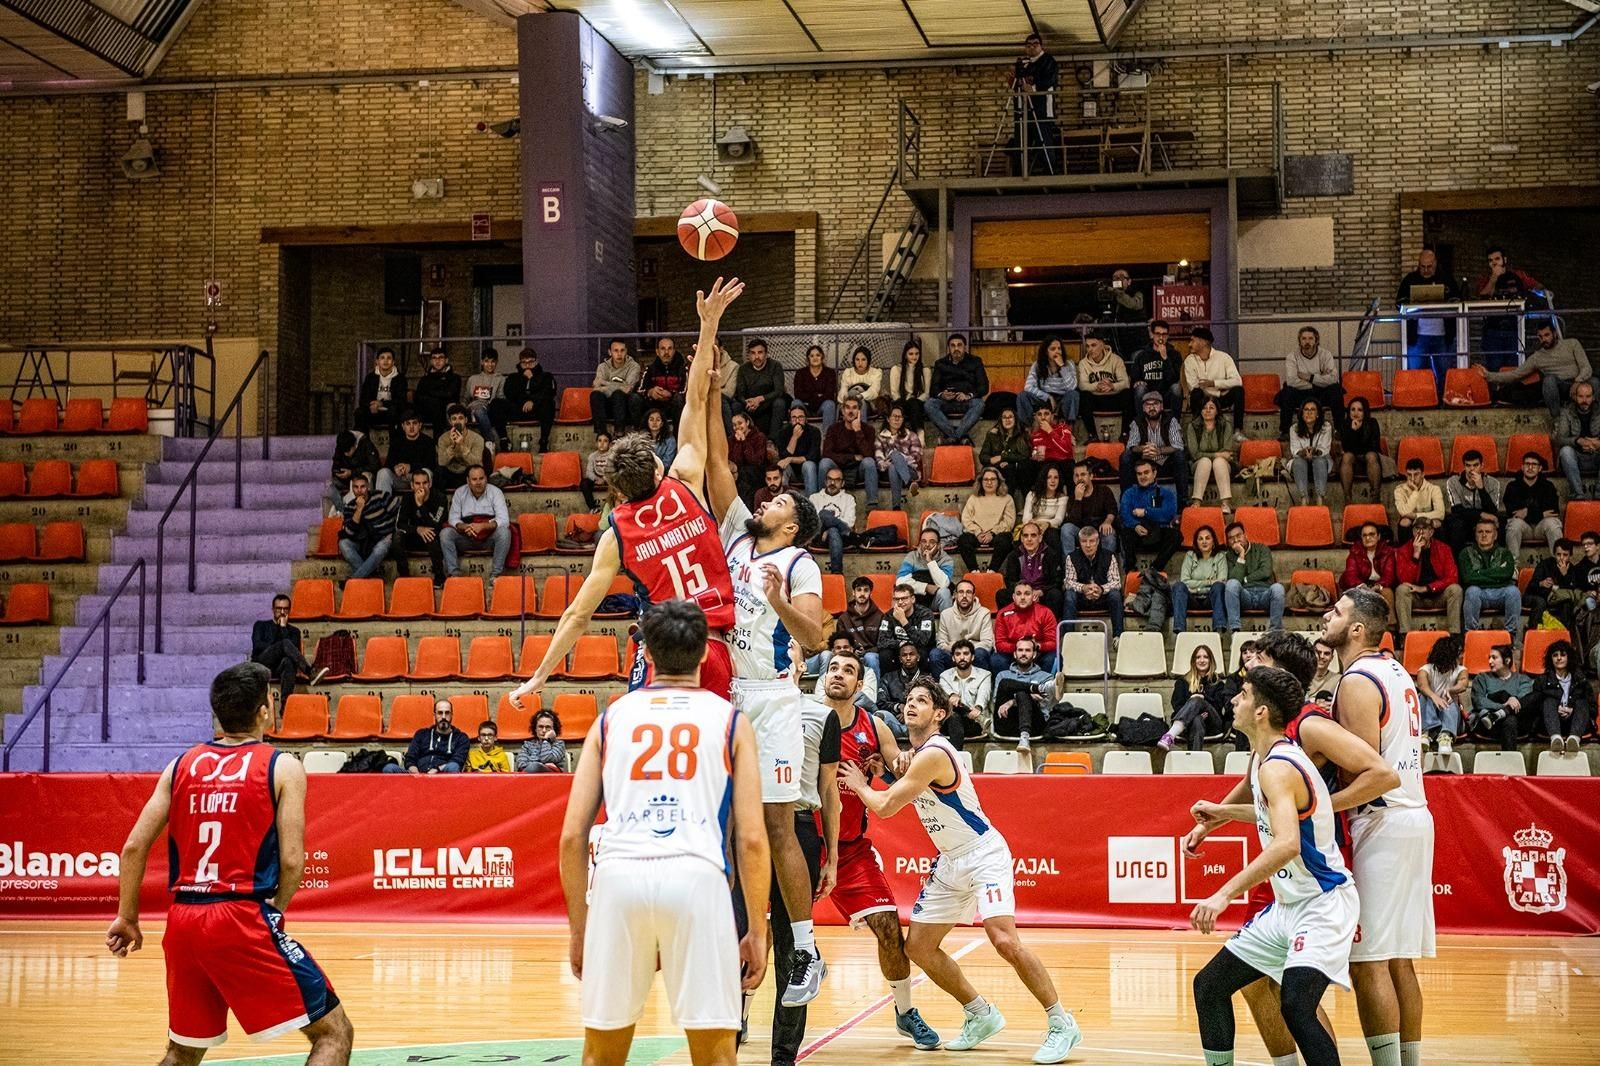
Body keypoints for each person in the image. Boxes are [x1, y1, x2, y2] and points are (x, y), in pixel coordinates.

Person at [510, 275, 744, 710]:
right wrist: (708, 324)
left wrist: (540, 674)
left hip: (661, 656)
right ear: (657, 466)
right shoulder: (685, 481)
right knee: (712, 764)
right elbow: (694, 399)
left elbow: (578, 614)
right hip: (714, 648)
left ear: (617, 491)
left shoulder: (616, 535)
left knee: (648, 765)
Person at [106, 663, 352, 1064]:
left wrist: (127, 916)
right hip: (240, 916)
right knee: (333, 1032)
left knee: (182, 1052)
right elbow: (292, 860)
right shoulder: (282, 765)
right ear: (264, 710)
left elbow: (133, 847)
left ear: (217, 714)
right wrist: (277, 909)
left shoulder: (180, 765)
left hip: (184, 920)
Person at [558, 599, 769, 1066]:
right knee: (715, 1056)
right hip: (697, 878)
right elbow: (752, 838)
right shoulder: (731, 720)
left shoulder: (611, 718)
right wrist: (756, 927)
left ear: (646, 655)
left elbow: (573, 837)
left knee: (600, 1055)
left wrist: (579, 928)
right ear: (703, 656)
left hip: (619, 878)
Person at [1184, 627, 1401, 1066]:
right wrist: (1220, 814)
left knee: (1298, 1006)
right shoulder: (1271, 752)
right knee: (1210, 986)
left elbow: (1285, 843)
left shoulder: (1289, 754)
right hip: (1288, 902)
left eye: (1243, 691)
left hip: (1322, 901)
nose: (1233, 698)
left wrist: (1223, 892)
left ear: (1263, 708)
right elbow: (1272, 815)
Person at [838, 678, 1083, 1063]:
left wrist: (860, 783)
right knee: (917, 947)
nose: (911, 705)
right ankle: (979, 1012)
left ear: (939, 714)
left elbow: (884, 807)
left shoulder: (934, 753)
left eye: (922, 700)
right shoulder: (916, 757)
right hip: (951, 861)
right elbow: (915, 784)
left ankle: (1062, 1022)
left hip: (983, 852)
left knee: (1003, 939)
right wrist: (886, 772)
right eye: (909, 699)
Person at [705, 366, 832, 1009]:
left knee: (779, 824)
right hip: (730, 697)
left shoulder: (798, 561)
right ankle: (735, 940)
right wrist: (710, 387)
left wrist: (781, 603)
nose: (765, 501)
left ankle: (806, 947)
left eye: (778, 503)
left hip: (776, 698)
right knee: (729, 828)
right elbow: (718, 462)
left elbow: (814, 638)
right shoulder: (736, 538)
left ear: (792, 525)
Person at [1320, 588, 1437, 1066]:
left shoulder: (1357, 681)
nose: (1329, 615)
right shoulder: (1396, 672)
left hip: (1383, 822)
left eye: (1338, 611)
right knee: (1398, 959)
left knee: (1367, 961)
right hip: (1414, 815)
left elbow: (1367, 773)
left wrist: (1323, 806)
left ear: (1356, 630)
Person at [821, 650, 942, 1051]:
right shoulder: (802, 717)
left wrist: (899, 760)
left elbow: (897, 766)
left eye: (848, 671)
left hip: (852, 850)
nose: (838, 674)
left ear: (860, 686)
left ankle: (906, 1013)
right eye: (833, 668)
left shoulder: (872, 726)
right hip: (804, 844)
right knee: (768, 929)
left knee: (890, 928)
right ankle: (743, 1014)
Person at [753, 633, 843, 1066]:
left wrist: (833, 858)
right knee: (738, 934)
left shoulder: (822, 715)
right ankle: (732, 1025)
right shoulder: (741, 699)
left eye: (789, 648)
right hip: (749, 829)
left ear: (802, 662)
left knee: (793, 952)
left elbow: (829, 789)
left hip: (801, 829)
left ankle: (783, 1057)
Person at [1483, 322, 1593, 419]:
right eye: (1540, 337)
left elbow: (1586, 367)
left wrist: (1577, 382)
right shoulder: (1538, 357)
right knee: (1549, 380)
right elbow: (1516, 374)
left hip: (1579, 383)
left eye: (1547, 335)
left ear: (1554, 334)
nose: (1544, 339)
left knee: (1595, 383)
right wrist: (1488, 375)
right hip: (1558, 387)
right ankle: (1557, 420)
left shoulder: (1572, 344)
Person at [1397, 249, 1461, 391]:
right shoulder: (1410, 280)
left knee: (1444, 373)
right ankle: (1421, 400)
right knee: (1417, 374)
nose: (1426, 270)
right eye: (1422, 267)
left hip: (1443, 336)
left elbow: (1457, 301)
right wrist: (1411, 303)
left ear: (1435, 264)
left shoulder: (1447, 279)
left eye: (1429, 267)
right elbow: (1399, 303)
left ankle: (1441, 402)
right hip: (1417, 336)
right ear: (1418, 265)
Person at [1473, 247, 1543, 372]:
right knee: (1494, 368)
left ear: (1504, 259)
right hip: (1493, 329)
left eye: (1497, 259)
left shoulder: (1518, 275)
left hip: (1515, 329)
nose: (1494, 263)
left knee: (1514, 368)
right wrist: (1494, 278)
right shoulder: (1485, 278)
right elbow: (1482, 296)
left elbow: (1537, 286)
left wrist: (1540, 293)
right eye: (1490, 260)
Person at [1159, 644, 1236, 752]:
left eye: (1205, 657)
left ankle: (1170, 734)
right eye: (1198, 657)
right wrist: (1196, 712)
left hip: (1213, 724)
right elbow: (1177, 706)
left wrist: (1202, 699)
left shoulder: (1218, 683)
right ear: (1193, 661)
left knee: (1198, 699)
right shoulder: (1182, 682)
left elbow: (1218, 707)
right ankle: (1195, 760)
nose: (1202, 660)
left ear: (1210, 660)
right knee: (1197, 720)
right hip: (1187, 725)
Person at [441, 464, 511, 580]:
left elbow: (504, 520)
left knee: (504, 533)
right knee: (445, 533)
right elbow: (453, 518)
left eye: (481, 478)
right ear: (468, 481)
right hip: (466, 537)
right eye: (474, 479)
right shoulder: (459, 493)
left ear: (486, 479)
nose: (478, 482)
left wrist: (483, 526)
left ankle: (496, 576)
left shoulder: (496, 492)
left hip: (488, 538)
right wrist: (465, 526)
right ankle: (454, 575)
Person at [1394, 517, 1463, 633]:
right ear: (1412, 532)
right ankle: (1404, 636)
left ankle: (1454, 635)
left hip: (1439, 595)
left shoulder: (1444, 549)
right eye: (1417, 529)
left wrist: (1428, 588)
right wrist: (1415, 555)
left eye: (1424, 529)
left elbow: (1452, 577)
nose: (1420, 533)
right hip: (1416, 597)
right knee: (1401, 590)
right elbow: (1404, 579)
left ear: (1431, 532)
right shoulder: (1403, 550)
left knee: (1456, 589)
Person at [250, 594, 323, 701]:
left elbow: (293, 652)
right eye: (279, 609)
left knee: (289, 661)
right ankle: (309, 672)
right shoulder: (260, 625)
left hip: (280, 667)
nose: (282, 612)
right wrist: (278, 646)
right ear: (273, 609)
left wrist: (283, 628)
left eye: (285, 609)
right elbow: (257, 646)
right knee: (284, 643)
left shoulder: (294, 631)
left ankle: (285, 705)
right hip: (262, 664)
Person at [1460, 517, 1521, 639]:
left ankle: (1510, 637)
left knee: (1513, 592)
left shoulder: (1505, 553)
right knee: (1471, 591)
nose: (1484, 535)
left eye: (1488, 532)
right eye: (1480, 532)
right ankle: (1471, 636)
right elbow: (1467, 578)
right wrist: (1496, 577)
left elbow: (1506, 574)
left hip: (1500, 593)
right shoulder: (1465, 553)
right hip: (1479, 593)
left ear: (1495, 535)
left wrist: (1479, 573)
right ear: (1475, 535)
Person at [1008, 32, 1059, 177]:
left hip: (1041, 108)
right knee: (1022, 141)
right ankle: (1019, 173)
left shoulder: (1048, 61)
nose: (1031, 48)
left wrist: (1034, 89)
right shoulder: (1025, 64)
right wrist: (1014, 80)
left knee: (1044, 139)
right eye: (1028, 45)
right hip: (1023, 109)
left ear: (1041, 46)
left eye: (1035, 45)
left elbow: (1050, 81)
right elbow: (1019, 84)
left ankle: (1049, 172)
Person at [1277, 327, 1342, 437]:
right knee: (1287, 392)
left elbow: (1333, 378)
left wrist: (1310, 377)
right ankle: (1285, 432)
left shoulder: (1325, 355)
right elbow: (1292, 381)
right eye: (1304, 339)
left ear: (1316, 340)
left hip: (1321, 393)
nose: (1307, 342)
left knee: (1335, 390)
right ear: (1299, 341)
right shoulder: (1292, 356)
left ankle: (1340, 430)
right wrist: (1319, 380)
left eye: (1310, 338)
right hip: (1301, 392)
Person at [1469, 644, 1536, 751]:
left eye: (1494, 658)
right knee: (1505, 701)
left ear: (1507, 660)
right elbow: (1478, 701)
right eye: (1489, 658)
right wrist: (1503, 705)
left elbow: (1525, 699)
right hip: (1488, 724)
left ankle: (1501, 714)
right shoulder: (1482, 678)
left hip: (1518, 725)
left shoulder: (1522, 679)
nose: (1490, 661)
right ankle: (1510, 764)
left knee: (1513, 717)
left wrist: (1513, 699)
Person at [1531, 638, 1592, 755]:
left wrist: (1572, 710)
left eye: (1563, 655)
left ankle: (1574, 739)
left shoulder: (1581, 680)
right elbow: (1535, 706)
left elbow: (1592, 707)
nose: (1559, 658)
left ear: (1569, 658)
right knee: (1548, 701)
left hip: (1576, 723)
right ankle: (1556, 739)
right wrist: (1555, 709)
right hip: (1549, 725)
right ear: (1551, 659)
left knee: (1582, 702)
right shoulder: (1542, 680)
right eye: (1555, 655)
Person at [925, 333, 988, 444]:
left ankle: (952, 438)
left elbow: (984, 387)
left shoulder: (975, 362)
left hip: (967, 401)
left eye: (959, 345)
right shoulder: (940, 364)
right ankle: (959, 437)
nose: (956, 348)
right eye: (953, 346)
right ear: (949, 348)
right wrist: (942, 394)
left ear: (965, 347)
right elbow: (933, 389)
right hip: (946, 402)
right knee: (929, 404)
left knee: (979, 404)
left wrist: (968, 396)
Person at [991, 636, 1054, 747]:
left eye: (1027, 650)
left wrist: (1012, 702)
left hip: (1034, 725)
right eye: (1020, 650)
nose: (1023, 653)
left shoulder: (1046, 678)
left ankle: (1024, 737)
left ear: (1034, 654)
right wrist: (1031, 695)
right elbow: (997, 702)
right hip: (1006, 723)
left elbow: (1046, 705)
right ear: (1015, 654)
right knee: (1006, 683)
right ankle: (1036, 688)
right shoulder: (1002, 675)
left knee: (1022, 694)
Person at [1061, 525, 1125, 636]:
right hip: (1082, 598)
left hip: (1102, 597)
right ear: (1079, 542)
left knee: (1115, 594)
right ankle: (1068, 636)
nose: (1088, 545)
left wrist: (1101, 589)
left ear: (1098, 541)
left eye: (1092, 541)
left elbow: (1116, 582)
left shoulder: (1109, 556)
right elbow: (1068, 582)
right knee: (1069, 594)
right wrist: (1083, 588)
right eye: (1084, 541)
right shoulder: (1071, 557)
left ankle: (1118, 636)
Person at [1122, 390, 1186, 498]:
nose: (1152, 408)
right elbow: (1132, 446)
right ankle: (1126, 499)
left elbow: (1178, 445)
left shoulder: (1171, 420)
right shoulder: (1137, 422)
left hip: (1166, 463)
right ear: (1143, 408)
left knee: (1179, 455)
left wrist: (1159, 451)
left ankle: (1183, 500)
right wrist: (1145, 449)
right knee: (1126, 456)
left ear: (1161, 406)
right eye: (1148, 405)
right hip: (1145, 462)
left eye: (1155, 404)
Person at [820, 397, 882, 508]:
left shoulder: (868, 429)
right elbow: (827, 453)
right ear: (842, 411)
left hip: (859, 469)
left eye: (854, 408)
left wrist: (858, 431)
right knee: (824, 463)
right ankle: (821, 501)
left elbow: (869, 455)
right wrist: (852, 457)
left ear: (859, 411)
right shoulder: (833, 429)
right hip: (838, 467)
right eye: (847, 408)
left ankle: (872, 505)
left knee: (869, 462)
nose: (850, 411)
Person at [1119, 458, 1180, 570]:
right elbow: (1124, 513)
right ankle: (1131, 569)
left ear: (1154, 473)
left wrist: (1146, 512)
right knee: (1125, 533)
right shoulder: (1129, 493)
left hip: (1158, 532)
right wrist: (1135, 525)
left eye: (1146, 472)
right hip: (1137, 533)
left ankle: (1155, 569)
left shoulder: (1165, 493)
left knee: (1176, 535)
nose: (1142, 476)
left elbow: (1168, 514)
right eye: (1139, 473)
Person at [1224, 521, 1285, 630]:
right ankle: (1235, 630)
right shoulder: (1229, 556)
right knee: (1231, 584)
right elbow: (1234, 580)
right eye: (1231, 538)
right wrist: (1241, 555)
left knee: (1278, 588)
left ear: (1245, 535)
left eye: (1239, 536)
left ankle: (1275, 632)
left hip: (1264, 594)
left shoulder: (1262, 549)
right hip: (1245, 595)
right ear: (1228, 542)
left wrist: (1246, 579)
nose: (1236, 540)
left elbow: (1266, 572)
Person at [1415, 634, 1467, 757]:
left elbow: (1463, 684)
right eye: (1458, 652)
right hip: (1429, 715)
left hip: (1451, 719)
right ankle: (1425, 733)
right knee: (1424, 696)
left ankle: (1445, 736)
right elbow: (1422, 685)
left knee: (1450, 701)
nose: (1461, 655)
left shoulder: (1461, 670)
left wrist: (1450, 690)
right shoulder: (1426, 669)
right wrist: (1434, 697)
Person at [338, 472, 398, 579]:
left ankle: (354, 580)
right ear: (352, 488)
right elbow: (349, 533)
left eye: (363, 487)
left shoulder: (380, 496)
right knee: (343, 544)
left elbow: (398, 510)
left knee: (381, 547)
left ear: (368, 487)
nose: (360, 490)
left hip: (382, 539)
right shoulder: (349, 507)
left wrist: (392, 531)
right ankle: (370, 576)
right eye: (356, 487)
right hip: (362, 543)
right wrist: (359, 510)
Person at [385, 697, 469, 773]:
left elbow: (458, 760)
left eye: (447, 713)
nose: (443, 717)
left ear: (451, 715)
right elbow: (410, 757)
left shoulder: (461, 738)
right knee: (389, 768)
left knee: (453, 767)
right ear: (434, 715)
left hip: (441, 775)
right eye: (440, 713)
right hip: (417, 775)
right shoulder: (422, 734)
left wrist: (437, 769)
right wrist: (414, 771)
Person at [395, 468, 449, 587]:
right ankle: (404, 576)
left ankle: (440, 577)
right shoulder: (407, 498)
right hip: (414, 535)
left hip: (433, 536)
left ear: (429, 484)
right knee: (397, 536)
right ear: (412, 485)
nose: (421, 487)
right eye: (417, 483)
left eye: (424, 483)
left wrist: (420, 505)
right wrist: (417, 529)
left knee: (430, 534)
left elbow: (436, 525)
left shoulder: (440, 498)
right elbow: (400, 524)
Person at [1183, 326, 1244, 430]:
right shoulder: (1189, 361)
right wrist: (1218, 392)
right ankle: (1197, 428)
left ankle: (1237, 431)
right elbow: (1193, 386)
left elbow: (1237, 381)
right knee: (1196, 393)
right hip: (1204, 399)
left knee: (1239, 391)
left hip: (1221, 400)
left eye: (1192, 341)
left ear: (1203, 342)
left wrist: (1213, 383)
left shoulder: (1224, 357)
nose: (1189, 344)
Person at [933, 579, 997, 676]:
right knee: (935, 654)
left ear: (974, 595)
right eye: (961, 592)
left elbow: (987, 643)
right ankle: (939, 689)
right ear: (955, 595)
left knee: (980, 653)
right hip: (952, 654)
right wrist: (957, 651)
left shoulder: (984, 613)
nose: (964, 596)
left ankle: (978, 687)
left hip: (974, 654)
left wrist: (966, 651)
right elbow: (941, 643)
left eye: (968, 592)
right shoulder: (946, 614)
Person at [992, 578, 1059, 673]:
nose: (1022, 597)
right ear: (1013, 597)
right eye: (1019, 594)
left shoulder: (1046, 613)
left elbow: (1053, 642)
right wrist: (1019, 647)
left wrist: (1036, 646)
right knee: (997, 659)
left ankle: (1043, 685)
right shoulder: (1003, 614)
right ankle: (1005, 685)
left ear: (1034, 596)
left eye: (1027, 594)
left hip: (1037, 653)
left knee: (1053, 657)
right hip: (1013, 653)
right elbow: (1000, 644)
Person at [998, 523, 1064, 616]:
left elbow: (1057, 582)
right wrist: (1025, 592)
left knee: (1055, 595)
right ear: (1021, 539)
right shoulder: (1014, 555)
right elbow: (1010, 581)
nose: (1029, 539)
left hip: (1042, 594)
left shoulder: (1051, 554)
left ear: (1040, 538)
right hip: (1022, 592)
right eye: (1025, 536)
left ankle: (1051, 628)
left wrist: (1041, 592)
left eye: (1033, 535)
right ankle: (1011, 626)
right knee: (1002, 594)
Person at [1442, 449, 1503, 550]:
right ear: (1464, 466)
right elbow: (1457, 510)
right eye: (1468, 465)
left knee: (1501, 522)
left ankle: (1497, 561)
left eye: (1475, 465)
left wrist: (1481, 489)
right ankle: (1457, 563)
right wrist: (1480, 514)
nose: (1472, 469)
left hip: (1485, 522)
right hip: (1465, 523)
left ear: (1482, 466)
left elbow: (1492, 512)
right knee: (1454, 523)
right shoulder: (1453, 482)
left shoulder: (1493, 483)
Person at [1503, 451, 1562, 557]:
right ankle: (1512, 567)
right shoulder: (1512, 486)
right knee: (1514, 525)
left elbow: (1553, 511)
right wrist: (1541, 513)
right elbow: (1512, 512)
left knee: (1553, 524)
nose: (1530, 467)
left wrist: (1527, 512)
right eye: (1527, 464)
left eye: (1534, 464)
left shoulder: (1548, 486)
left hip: (1542, 527)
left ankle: (1558, 564)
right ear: (1522, 467)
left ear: (1540, 468)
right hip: (1523, 528)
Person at [956, 468, 1015, 572]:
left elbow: (1008, 521)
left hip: (997, 535)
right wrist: (978, 532)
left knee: (1006, 540)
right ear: (981, 482)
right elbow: (966, 519)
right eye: (986, 479)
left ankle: (992, 570)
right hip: (977, 535)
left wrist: (992, 533)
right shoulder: (973, 498)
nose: (989, 482)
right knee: (963, 540)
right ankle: (974, 571)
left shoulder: (1007, 498)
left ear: (998, 481)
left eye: (993, 479)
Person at [1184, 395, 1236, 512]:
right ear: (1200, 411)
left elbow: (1226, 452)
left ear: (1217, 411)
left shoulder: (1225, 425)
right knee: (1205, 461)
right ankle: (1197, 502)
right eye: (1204, 408)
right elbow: (1195, 454)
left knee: (1219, 462)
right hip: (1199, 464)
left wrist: (1218, 456)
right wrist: (1216, 455)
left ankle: (1225, 504)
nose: (1207, 410)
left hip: (1222, 464)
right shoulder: (1192, 427)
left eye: (1211, 407)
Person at [1172, 525, 1228, 633]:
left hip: (1210, 599)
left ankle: (1219, 628)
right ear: (1196, 542)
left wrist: (1196, 587)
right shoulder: (1190, 555)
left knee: (1218, 587)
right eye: (1200, 539)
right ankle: (1179, 631)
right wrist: (1209, 582)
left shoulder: (1220, 556)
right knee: (1178, 586)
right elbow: (1184, 581)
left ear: (1213, 541)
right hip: (1191, 598)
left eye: (1207, 538)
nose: (1204, 542)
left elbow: (1222, 581)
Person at [938, 639, 993, 745]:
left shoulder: (984, 675)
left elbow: (983, 695)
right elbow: (946, 693)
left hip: (973, 722)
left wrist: (978, 708)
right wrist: (953, 695)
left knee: (954, 715)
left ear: (972, 657)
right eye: (958, 654)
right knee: (953, 713)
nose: (962, 657)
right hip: (949, 723)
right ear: (953, 658)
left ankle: (955, 759)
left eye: (966, 654)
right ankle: (958, 757)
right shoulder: (944, 676)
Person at [501, 346, 556, 451]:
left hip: (537, 410)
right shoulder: (513, 377)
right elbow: (510, 394)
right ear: (520, 363)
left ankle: (544, 442)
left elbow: (549, 392)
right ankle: (504, 439)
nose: (527, 366)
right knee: (497, 404)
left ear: (536, 362)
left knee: (549, 404)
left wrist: (533, 400)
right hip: (518, 409)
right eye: (524, 363)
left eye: (530, 362)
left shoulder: (546, 376)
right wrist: (523, 379)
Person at [1075, 332, 1132, 434]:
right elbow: (1082, 385)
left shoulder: (1116, 360)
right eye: (1087, 346)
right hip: (1095, 398)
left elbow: (1125, 383)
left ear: (1102, 345)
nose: (1090, 349)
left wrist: (1112, 386)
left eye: (1093, 345)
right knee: (1083, 396)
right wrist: (1097, 386)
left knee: (1127, 393)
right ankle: (1092, 435)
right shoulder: (1083, 363)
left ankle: (1125, 433)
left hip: (1113, 397)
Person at [1340, 521, 1397, 622]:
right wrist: (1362, 586)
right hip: (1362, 584)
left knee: (1387, 592)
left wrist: (1377, 586)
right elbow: (1350, 573)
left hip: (1381, 584)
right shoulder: (1355, 551)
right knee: (1355, 594)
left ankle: (1391, 627)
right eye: (1364, 535)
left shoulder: (1388, 551)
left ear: (1378, 536)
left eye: (1372, 534)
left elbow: (1389, 575)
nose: (1368, 538)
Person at [1060, 461, 1118, 558]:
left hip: (1100, 529)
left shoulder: (1104, 490)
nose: (1080, 479)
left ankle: (1106, 567)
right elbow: (1073, 521)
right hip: (1081, 531)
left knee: (1109, 533)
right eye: (1076, 476)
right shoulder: (1072, 497)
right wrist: (1078, 499)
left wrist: (1107, 522)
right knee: (1066, 529)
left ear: (1091, 476)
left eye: (1083, 475)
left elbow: (1112, 510)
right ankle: (1070, 566)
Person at [734, 337, 788, 439]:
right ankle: (738, 438)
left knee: (780, 403)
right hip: (750, 405)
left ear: (766, 354)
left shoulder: (775, 366)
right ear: (749, 356)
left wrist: (760, 399)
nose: (757, 356)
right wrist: (748, 402)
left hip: (769, 402)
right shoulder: (743, 369)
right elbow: (740, 393)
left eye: (760, 352)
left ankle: (773, 441)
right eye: (753, 353)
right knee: (736, 405)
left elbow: (779, 390)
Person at [1018, 335, 1077, 426]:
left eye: (1059, 348)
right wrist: (1048, 397)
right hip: (1045, 399)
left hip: (1063, 399)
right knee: (1022, 396)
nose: (1057, 351)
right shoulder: (1037, 365)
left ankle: (1069, 429)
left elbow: (1072, 387)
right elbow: (1028, 387)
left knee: (1073, 394)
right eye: (1053, 349)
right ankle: (1026, 429)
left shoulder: (1069, 364)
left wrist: (1062, 367)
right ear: (1046, 352)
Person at [1555, 379, 1600, 500]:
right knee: (1565, 451)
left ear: (1593, 397)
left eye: (1588, 396)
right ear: (1575, 397)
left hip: (1596, 456)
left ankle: (1599, 493)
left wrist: (1597, 443)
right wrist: (1578, 441)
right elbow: (1560, 439)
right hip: (1576, 459)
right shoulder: (1566, 412)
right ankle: (1578, 494)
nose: (1584, 400)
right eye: (1581, 396)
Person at [878, 583, 940, 670]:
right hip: (898, 649)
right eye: (897, 599)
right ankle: (888, 681)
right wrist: (900, 644)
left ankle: (922, 681)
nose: (900, 602)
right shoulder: (889, 615)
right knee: (885, 654)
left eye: (904, 598)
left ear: (913, 599)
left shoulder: (925, 614)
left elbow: (923, 641)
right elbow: (881, 641)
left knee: (921, 653)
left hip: (920, 649)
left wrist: (903, 621)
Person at [1128, 318, 1184, 413]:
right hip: (1148, 394)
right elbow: (1135, 376)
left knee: (1177, 388)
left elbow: (1174, 379)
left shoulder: (1175, 354)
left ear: (1168, 336)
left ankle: (1174, 424)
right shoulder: (1142, 355)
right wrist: (1138, 381)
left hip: (1166, 394)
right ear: (1152, 335)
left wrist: (1165, 358)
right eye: (1158, 334)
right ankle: (1141, 424)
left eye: (1164, 334)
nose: (1161, 338)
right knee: (1139, 388)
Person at [809, 464, 857, 575]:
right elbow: (813, 523)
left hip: (841, 538)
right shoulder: (814, 498)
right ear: (825, 481)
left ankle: (836, 574)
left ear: (842, 483)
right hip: (820, 537)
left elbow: (850, 522)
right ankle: (853, 537)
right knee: (823, 514)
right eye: (830, 479)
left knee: (833, 531)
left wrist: (829, 529)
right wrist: (825, 528)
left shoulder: (848, 499)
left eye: (837, 480)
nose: (832, 483)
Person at [980, 407, 1034, 503]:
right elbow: (983, 456)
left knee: (1011, 468)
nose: (1007, 420)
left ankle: (1010, 503)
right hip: (996, 467)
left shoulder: (1022, 435)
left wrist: (1003, 458)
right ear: (1001, 420)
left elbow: (1024, 456)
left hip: (1016, 471)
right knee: (1006, 468)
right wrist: (994, 462)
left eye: (1010, 417)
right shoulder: (992, 435)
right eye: (1004, 417)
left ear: (1015, 419)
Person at [1526, 538, 1582, 630]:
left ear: (1570, 555)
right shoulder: (1544, 564)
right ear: (1554, 554)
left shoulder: (1572, 569)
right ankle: (1533, 633)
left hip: (1555, 599)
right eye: (1558, 554)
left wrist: (1565, 575)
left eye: (1565, 555)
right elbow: (1531, 586)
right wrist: (1541, 583)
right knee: (1540, 602)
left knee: (1567, 604)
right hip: (1537, 596)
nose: (1561, 558)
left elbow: (1572, 591)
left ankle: (1564, 634)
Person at [836, 576, 886, 680]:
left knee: (870, 658)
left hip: (873, 655)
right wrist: (852, 651)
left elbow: (883, 643)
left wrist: (866, 652)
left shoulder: (880, 616)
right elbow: (840, 643)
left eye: (866, 590)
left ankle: (875, 694)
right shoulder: (844, 618)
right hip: (851, 654)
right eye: (859, 590)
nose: (862, 594)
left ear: (870, 593)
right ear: (853, 593)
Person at [876, 404, 924, 510]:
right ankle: (909, 484)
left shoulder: (911, 435)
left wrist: (900, 459)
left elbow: (917, 456)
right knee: (893, 465)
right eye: (894, 416)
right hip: (888, 472)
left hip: (911, 470)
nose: (897, 419)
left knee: (895, 456)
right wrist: (892, 461)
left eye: (900, 417)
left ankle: (896, 507)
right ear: (888, 419)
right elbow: (879, 461)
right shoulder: (880, 438)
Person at [590, 338, 642, 436]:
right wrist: (619, 386)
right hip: (608, 405)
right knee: (596, 395)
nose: (619, 354)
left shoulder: (634, 366)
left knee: (618, 394)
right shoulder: (602, 367)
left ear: (626, 352)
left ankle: (619, 432)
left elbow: (627, 389)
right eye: (616, 350)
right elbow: (596, 388)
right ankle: (601, 434)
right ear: (610, 352)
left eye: (622, 350)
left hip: (625, 405)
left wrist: (604, 383)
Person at [326, 428, 384, 514]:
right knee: (329, 486)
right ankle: (344, 512)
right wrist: (338, 472)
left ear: (355, 445)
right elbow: (336, 463)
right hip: (346, 478)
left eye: (349, 451)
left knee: (366, 476)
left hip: (362, 477)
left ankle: (366, 510)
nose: (346, 454)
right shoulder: (341, 444)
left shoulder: (365, 443)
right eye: (344, 452)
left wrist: (352, 472)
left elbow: (375, 466)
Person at [635, 336, 688, 429]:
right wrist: (650, 392)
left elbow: (686, 391)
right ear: (657, 352)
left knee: (679, 399)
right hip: (653, 405)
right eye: (663, 349)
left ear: (674, 351)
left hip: (674, 406)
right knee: (634, 398)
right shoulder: (650, 369)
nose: (666, 352)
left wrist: (670, 394)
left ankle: (678, 437)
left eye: (669, 349)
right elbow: (640, 390)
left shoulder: (683, 369)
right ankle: (639, 434)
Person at [898, 528, 955, 613]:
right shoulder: (911, 557)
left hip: (934, 602)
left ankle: (947, 625)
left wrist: (930, 561)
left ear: (939, 545)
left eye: (932, 542)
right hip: (914, 603)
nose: (927, 545)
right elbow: (900, 582)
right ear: (920, 544)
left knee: (945, 592)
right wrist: (925, 587)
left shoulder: (946, 560)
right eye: (924, 541)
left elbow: (943, 584)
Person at [1338, 396, 1383, 504]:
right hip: (1352, 460)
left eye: (1360, 410)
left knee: (1371, 455)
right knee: (1347, 456)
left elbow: (1374, 446)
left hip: (1371, 460)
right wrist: (1354, 431)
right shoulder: (1345, 425)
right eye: (1352, 409)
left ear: (1365, 412)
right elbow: (1347, 448)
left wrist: (1359, 434)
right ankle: (1347, 498)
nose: (1356, 413)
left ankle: (1375, 497)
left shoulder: (1372, 423)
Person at [1287, 399, 1332, 506]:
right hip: (1302, 462)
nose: (1309, 412)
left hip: (1320, 461)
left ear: (1318, 414)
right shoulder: (1294, 428)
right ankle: (1304, 497)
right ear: (1302, 414)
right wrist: (1303, 452)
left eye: (1312, 410)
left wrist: (1315, 451)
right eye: (1306, 410)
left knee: (1319, 461)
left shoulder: (1326, 427)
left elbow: (1325, 449)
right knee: (1298, 462)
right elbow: (1295, 450)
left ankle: (1320, 497)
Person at [435, 404, 487, 494]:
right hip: (450, 471)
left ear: (466, 420)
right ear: (450, 422)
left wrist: (462, 445)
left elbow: (476, 463)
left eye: (460, 418)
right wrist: (452, 444)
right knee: (438, 473)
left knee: (474, 474)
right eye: (454, 419)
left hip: (466, 471)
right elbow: (442, 462)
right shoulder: (443, 438)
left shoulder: (477, 438)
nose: (457, 422)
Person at [878, 641, 925, 737]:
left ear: (918, 657)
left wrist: (909, 712)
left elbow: (933, 705)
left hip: (920, 721)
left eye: (911, 654)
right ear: (900, 659)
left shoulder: (928, 679)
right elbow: (880, 702)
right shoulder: (888, 678)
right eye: (904, 655)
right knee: (880, 715)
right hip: (896, 720)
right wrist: (898, 707)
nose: (908, 658)